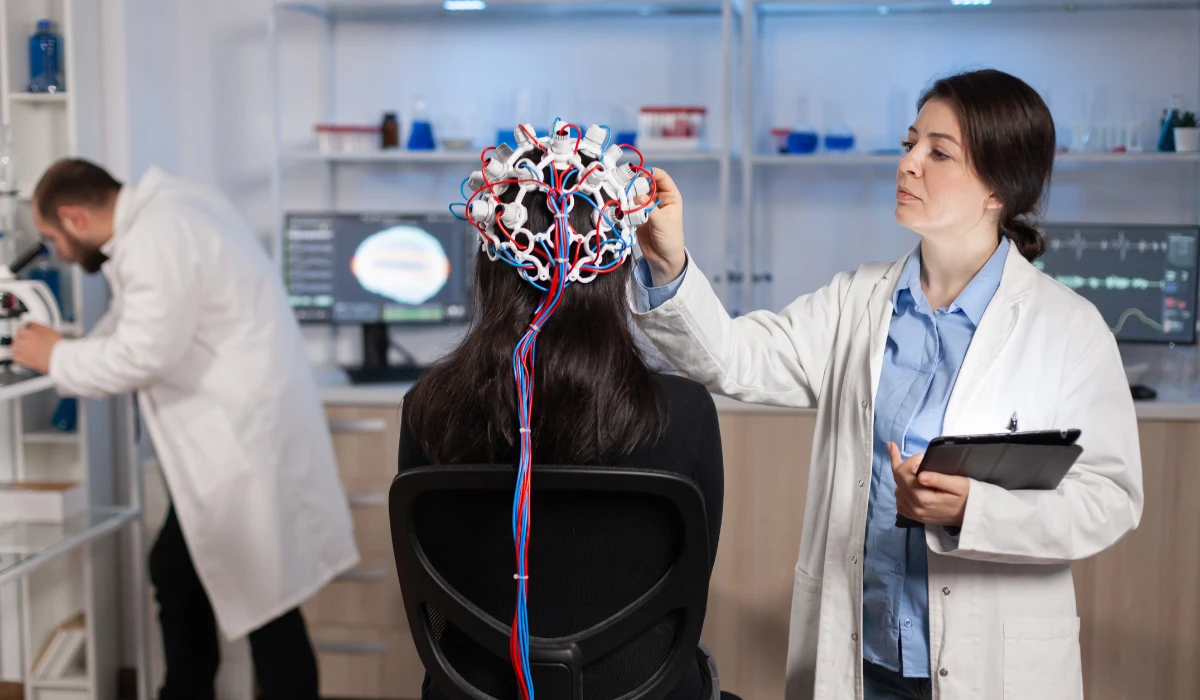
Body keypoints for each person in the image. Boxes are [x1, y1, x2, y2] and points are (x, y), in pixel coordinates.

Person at [630, 69, 1143, 700]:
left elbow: (1111, 496)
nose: (908, 165)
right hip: (859, 659)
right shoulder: (857, 300)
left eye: (938, 152)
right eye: (909, 144)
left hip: (994, 669)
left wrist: (975, 512)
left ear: (997, 189)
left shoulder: (1067, 328)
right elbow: (735, 359)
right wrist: (669, 261)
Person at [13, 159, 359, 700]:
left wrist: (57, 358)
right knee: (180, 575)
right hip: (238, 438)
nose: (56, 252)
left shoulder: (155, 237)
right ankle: (187, 687)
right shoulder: (172, 209)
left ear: (75, 217)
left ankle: (189, 687)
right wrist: (67, 350)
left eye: (52, 238)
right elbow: (133, 322)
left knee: (263, 609)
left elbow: (142, 354)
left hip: (237, 448)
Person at [398, 146, 725, 700]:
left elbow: (435, 586)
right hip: (646, 688)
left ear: (488, 266)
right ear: (616, 268)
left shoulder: (428, 408)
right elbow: (694, 572)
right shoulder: (684, 413)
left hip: (476, 690)